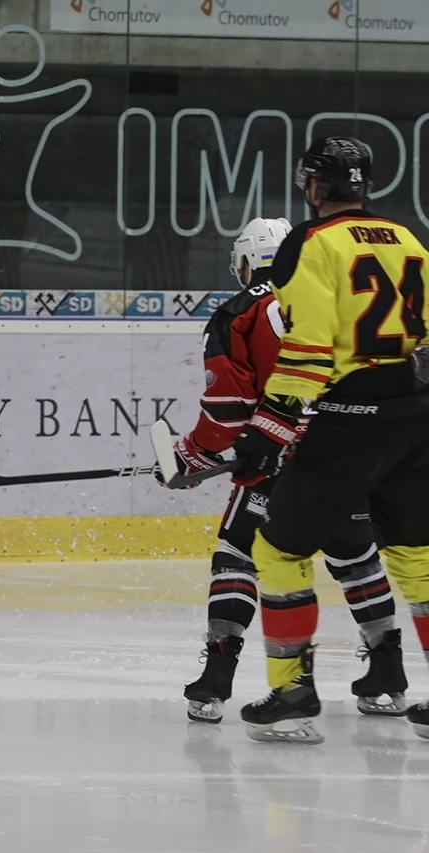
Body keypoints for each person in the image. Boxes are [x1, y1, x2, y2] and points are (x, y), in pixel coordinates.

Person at [167, 217, 407, 725]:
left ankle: (217, 677)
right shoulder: (336, 299)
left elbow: (228, 413)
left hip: (274, 455)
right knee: (356, 558)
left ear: (246, 261)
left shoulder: (237, 312)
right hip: (345, 450)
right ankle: (388, 674)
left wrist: (193, 454)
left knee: (238, 555)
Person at [229, 136, 429, 744]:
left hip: (350, 420)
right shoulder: (408, 238)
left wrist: (269, 426)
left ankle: (293, 692)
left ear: (313, 186)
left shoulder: (310, 243)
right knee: (419, 557)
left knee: (277, 551)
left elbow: (309, 347)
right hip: (415, 418)